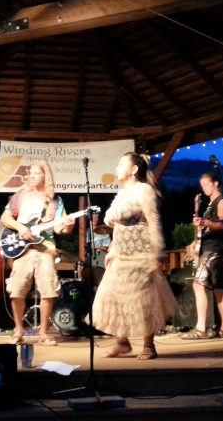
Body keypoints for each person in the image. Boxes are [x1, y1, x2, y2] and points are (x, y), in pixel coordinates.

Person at [91, 152, 177, 360]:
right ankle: (122, 342)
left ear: (134, 169)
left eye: (122, 164)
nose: (117, 168)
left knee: (143, 300)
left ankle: (148, 345)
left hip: (141, 253)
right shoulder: (121, 194)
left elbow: (153, 220)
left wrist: (158, 250)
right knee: (111, 296)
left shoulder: (144, 190)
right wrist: (113, 248)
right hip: (121, 254)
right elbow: (115, 224)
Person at [0, 160, 75, 345]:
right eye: (30, 173)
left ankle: (43, 332)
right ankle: (18, 330)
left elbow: (58, 229)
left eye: (36, 173)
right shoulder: (21, 195)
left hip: (46, 249)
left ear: (45, 175)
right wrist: (19, 227)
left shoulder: (55, 200)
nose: (32, 176)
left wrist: (68, 227)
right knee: (17, 290)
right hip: (23, 249)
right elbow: (5, 218)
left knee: (48, 291)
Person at [181, 172, 223, 339]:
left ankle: (201, 328)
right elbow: (207, 229)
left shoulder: (222, 201)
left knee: (198, 285)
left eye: (206, 185)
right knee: (218, 287)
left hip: (214, 250)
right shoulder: (210, 204)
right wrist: (195, 241)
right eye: (202, 186)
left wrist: (205, 222)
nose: (204, 188)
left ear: (216, 183)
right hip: (209, 248)